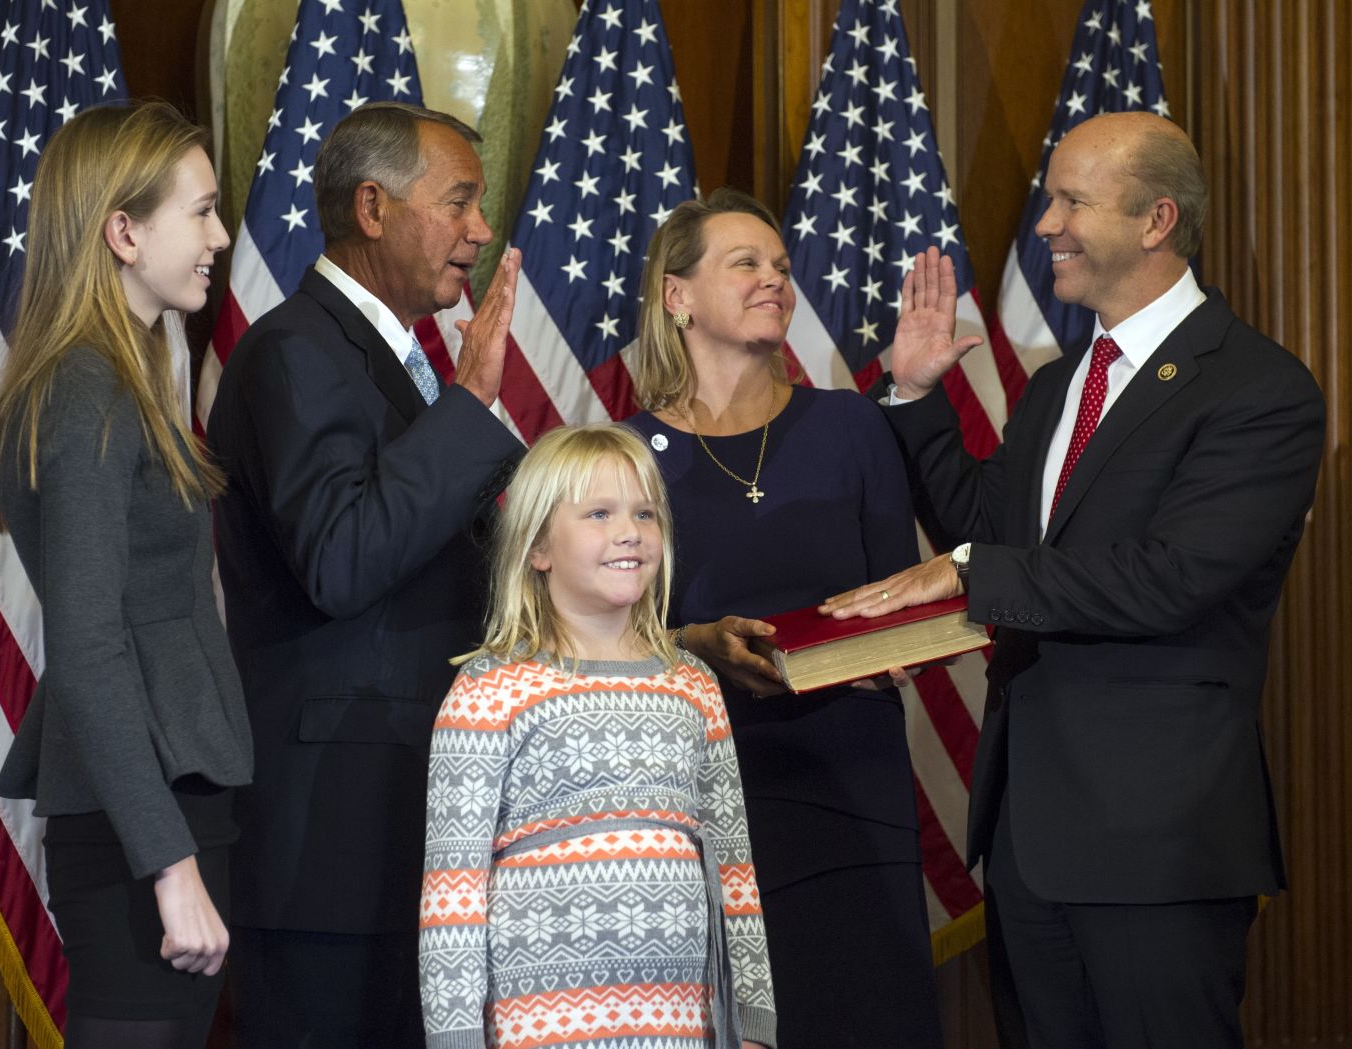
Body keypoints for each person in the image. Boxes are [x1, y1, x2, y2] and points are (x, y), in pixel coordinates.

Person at [823, 112, 1327, 1049]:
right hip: (1028, 840)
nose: (1046, 223)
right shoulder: (1061, 386)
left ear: (1156, 220)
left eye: (1071, 201)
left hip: (1155, 845)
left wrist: (969, 569)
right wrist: (919, 397)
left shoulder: (1260, 390)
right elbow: (990, 536)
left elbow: (1173, 579)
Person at [205, 101, 525, 1047]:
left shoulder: (390, 358)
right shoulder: (295, 351)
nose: (479, 229)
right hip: (331, 850)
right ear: (374, 207)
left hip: (408, 836)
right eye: (460, 202)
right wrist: (469, 405)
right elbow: (342, 560)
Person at [624, 189, 945, 1049]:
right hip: (708, 798)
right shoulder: (625, 457)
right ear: (678, 295)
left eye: (781, 266)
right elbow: (600, 646)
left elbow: (897, 596)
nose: (774, 279)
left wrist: (903, 647)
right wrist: (693, 644)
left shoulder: (851, 424)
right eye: (747, 264)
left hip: (851, 781)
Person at [0, 101, 249, 1049]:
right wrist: (171, 867)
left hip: (160, 790)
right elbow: (89, 643)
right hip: (142, 814)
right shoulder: (87, 383)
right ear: (123, 231)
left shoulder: (118, 370)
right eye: (203, 211)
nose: (220, 237)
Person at [420, 423, 776, 1049]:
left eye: (645, 513)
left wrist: (752, 1020)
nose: (630, 532)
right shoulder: (490, 688)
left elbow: (732, 862)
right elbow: (452, 894)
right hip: (542, 1027)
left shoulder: (691, 681)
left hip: (682, 1022)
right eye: (599, 513)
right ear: (538, 547)